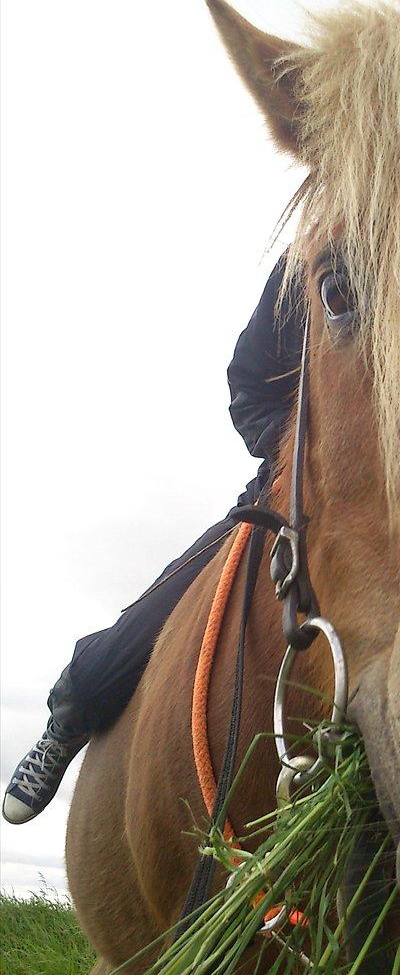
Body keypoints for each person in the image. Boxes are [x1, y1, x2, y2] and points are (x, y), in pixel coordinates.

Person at [3, 252, 302, 825]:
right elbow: (250, 384)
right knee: (168, 602)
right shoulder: (312, 258)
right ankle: (74, 708)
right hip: (288, 488)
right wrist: (292, 455)